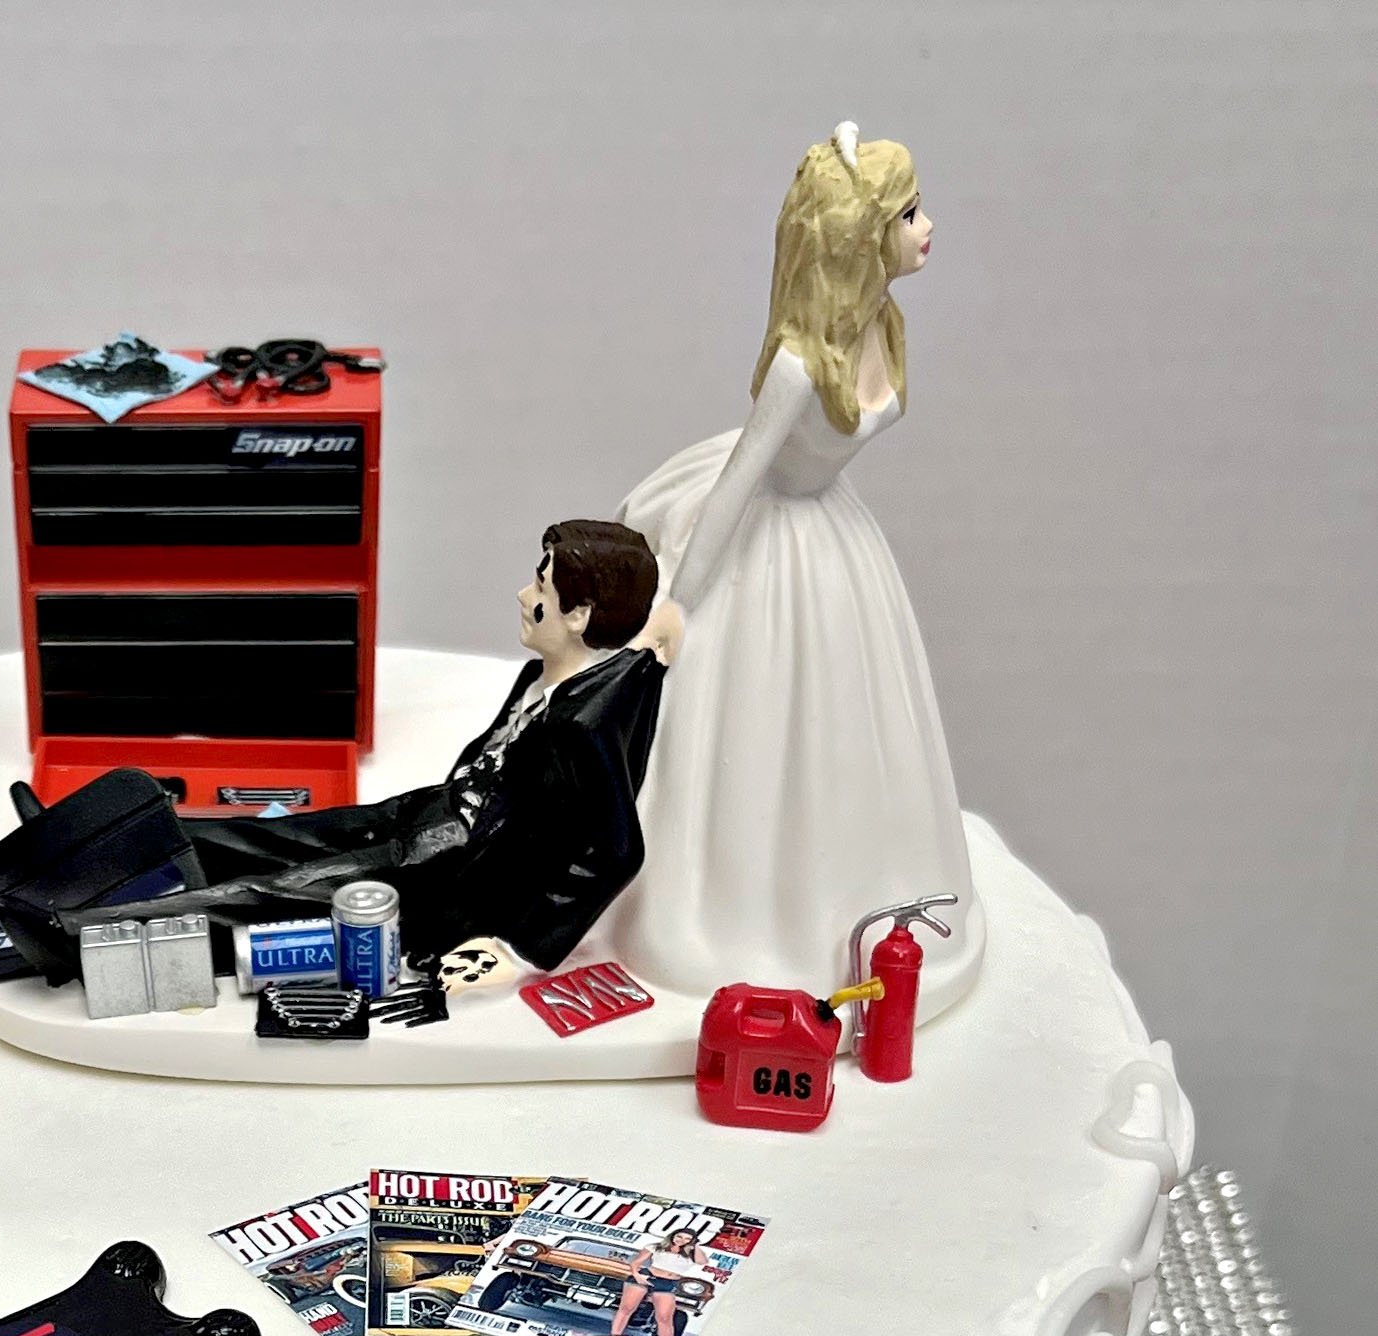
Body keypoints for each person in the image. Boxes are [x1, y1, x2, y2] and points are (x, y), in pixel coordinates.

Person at [602, 125, 980, 1001]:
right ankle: (732, 908)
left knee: (846, 727)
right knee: (743, 727)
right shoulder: (799, 370)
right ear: (858, 237)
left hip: (832, 535)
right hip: (759, 538)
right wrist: (678, 606)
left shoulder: (884, 324)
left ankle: (836, 906)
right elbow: (738, 485)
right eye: (908, 214)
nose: (927, 227)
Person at [174, 518, 672, 971]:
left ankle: (133, 925)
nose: (524, 596)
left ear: (580, 613)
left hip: (443, 865)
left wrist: (518, 950)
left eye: (541, 586)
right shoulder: (542, 677)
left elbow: (617, 852)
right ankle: (160, 837)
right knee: (278, 836)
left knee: (269, 895)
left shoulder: (579, 728)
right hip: (428, 809)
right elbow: (657, 635)